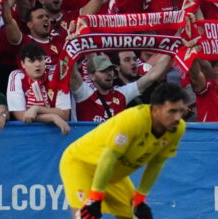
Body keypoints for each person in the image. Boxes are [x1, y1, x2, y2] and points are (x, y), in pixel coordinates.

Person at [60, 82, 187, 219]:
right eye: (172, 111)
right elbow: (108, 157)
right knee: (87, 217)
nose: (177, 118)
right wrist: (95, 197)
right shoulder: (133, 120)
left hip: (110, 173)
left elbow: (156, 164)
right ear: (155, 109)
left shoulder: (177, 129)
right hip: (81, 163)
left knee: (134, 216)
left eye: (180, 111)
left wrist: (140, 197)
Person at [7, 43, 71, 133]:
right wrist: (52, 117)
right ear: (23, 64)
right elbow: (21, 116)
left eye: (40, 59)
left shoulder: (57, 75)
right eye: (32, 61)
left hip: (56, 133)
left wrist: (37, 109)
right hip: (26, 133)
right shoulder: (16, 76)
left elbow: (64, 114)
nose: (37, 64)